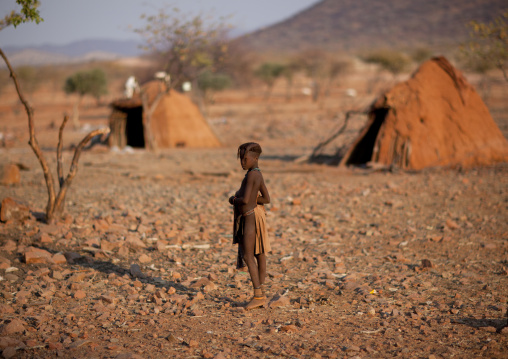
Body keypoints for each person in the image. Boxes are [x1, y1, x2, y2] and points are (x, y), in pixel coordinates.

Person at [229, 142, 271, 310]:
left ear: (255, 158)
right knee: (259, 254)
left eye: (245, 159)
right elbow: (266, 199)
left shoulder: (251, 176)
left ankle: (258, 295)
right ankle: (261, 292)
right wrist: (254, 200)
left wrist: (233, 199)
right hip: (254, 216)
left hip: (249, 218)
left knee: (248, 255)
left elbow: (245, 200)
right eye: (240, 159)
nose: (242, 162)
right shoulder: (257, 174)